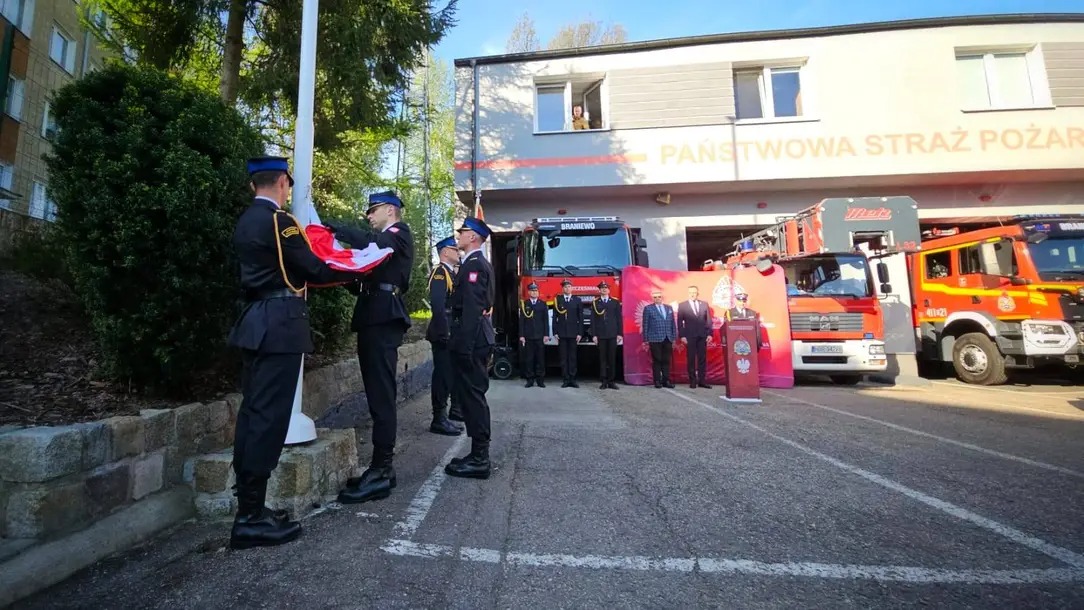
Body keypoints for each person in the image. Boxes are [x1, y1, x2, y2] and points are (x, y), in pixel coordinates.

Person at [227, 155, 358, 549]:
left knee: (254, 414)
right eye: (288, 184)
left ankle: (251, 507)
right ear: (283, 183)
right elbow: (311, 268)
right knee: (269, 419)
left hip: (256, 321)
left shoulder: (246, 220)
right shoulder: (279, 222)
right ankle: (249, 519)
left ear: (255, 185)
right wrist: (354, 268)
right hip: (279, 323)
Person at [326, 191, 414, 504]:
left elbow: (372, 245)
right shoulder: (383, 245)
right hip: (374, 315)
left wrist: (338, 231)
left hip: (382, 318)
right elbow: (364, 276)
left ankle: (381, 469)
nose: (368, 215)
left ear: (390, 210)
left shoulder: (397, 234)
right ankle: (381, 469)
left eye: (372, 210)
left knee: (381, 395)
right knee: (378, 393)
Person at [446, 216, 495, 479]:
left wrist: (463, 347)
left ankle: (480, 459)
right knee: (471, 397)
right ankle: (478, 454)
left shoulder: (475, 265)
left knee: (474, 398)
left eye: (463, 232)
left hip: (472, 341)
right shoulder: (475, 264)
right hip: (475, 339)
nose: (460, 235)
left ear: (473, 237)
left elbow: (474, 310)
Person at [425, 236, 464, 436]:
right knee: (443, 375)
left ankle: (454, 411)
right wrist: (444, 332)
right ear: (445, 252)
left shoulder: (451, 273)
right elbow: (438, 307)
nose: (459, 252)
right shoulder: (440, 273)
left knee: (453, 373)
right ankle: (438, 419)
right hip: (443, 331)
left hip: (452, 329)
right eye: (455, 249)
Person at [640, 289, 677, 388]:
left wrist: (674, 337)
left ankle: (666, 380)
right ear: (653, 298)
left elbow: (673, 323)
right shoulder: (648, 309)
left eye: (659, 297)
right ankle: (657, 381)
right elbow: (645, 324)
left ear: (662, 297)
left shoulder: (669, 308)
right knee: (657, 360)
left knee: (666, 360)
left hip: (667, 337)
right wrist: (645, 339)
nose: (657, 299)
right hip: (654, 338)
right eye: (655, 297)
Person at [677, 285, 712, 389]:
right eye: (691, 292)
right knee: (691, 359)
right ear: (688, 293)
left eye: (694, 292)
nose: (693, 294)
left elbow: (708, 321)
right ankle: (692, 381)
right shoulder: (683, 305)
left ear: (698, 293)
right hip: (690, 336)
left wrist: (710, 333)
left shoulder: (704, 304)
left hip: (702, 336)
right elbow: (680, 322)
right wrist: (682, 335)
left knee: (702, 359)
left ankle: (702, 381)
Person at [590, 280, 622, 389]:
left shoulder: (615, 302)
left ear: (609, 290)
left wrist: (620, 333)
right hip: (601, 334)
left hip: (612, 334)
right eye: (602, 288)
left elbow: (619, 319)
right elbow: (593, 320)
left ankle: (611, 381)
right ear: (599, 290)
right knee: (602, 358)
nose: (604, 290)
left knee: (612, 358)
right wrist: (594, 335)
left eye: (606, 288)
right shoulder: (595, 302)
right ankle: (603, 380)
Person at [552, 279, 583, 388]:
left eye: (569, 286)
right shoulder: (558, 300)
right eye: (565, 287)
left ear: (572, 288)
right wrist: (555, 332)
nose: (567, 288)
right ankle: (565, 379)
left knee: (573, 357)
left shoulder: (577, 300)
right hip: (562, 333)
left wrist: (580, 333)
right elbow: (554, 317)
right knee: (563, 357)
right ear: (562, 288)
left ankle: (573, 379)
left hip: (573, 333)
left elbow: (581, 318)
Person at [519, 281, 548, 387]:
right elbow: (522, 321)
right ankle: (530, 379)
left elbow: (545, 321)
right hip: (528, 335)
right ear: (529, 292)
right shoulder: (525, 304)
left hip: (540, 336)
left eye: (536, 291)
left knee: (540, 359)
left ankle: (540, 379)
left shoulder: (542, 304)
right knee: (529, 358)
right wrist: (521, 335)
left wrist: (546, 334)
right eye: (532, 291)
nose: (534, 293)